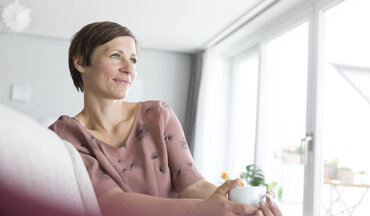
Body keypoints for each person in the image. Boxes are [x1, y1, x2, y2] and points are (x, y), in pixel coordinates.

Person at [49, 21, 282, 216]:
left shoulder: (158, 115)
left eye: (133, 60)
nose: (128, 69)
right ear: (80, 62)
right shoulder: (65, 135)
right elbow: (113, 202)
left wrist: (243, 205)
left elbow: (193, 185)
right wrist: (202, 210)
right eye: (115, 56)